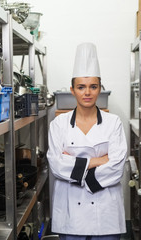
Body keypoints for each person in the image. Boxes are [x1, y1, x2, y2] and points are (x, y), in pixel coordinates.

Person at [46, 42, 127, 240]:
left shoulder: (113, 122)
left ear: (100, 89)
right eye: (81, 87)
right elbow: (56, 164)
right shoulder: (59, 124)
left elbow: (117, 167)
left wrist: (75, 168)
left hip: (106, 216)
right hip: (70, 216)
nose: (87, 92)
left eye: (93, 86)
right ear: (72, 90)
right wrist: (97, 161)